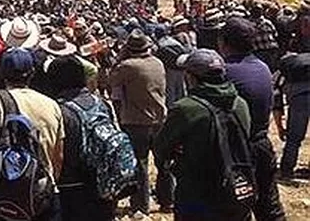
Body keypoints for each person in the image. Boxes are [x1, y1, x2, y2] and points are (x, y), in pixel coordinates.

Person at [153, 49, 253, 221]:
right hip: (235, 186)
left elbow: (161, 149)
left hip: (196, 191)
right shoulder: (240, 103)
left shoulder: (185, 108)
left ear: (191, 77)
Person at [0, 48, 65, 219]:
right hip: (45, 190)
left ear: (1, 73)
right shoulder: (52, 104)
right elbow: (58, 155)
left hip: (6, 193)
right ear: (32, 73)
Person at [218, 17, 286, 221]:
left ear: (223, 42)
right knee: (269, 206)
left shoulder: (223, 71)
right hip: (262, 145)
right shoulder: (262, 68)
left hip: (235, 152)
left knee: (234, 209)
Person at [48, 56, 117, 221]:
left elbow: (58, 152)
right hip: (103, 182)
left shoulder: (59, 110)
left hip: (71, 187)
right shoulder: (102, 104)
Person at [109, 29, 168, 218]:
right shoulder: (157, 63)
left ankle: (141, 205)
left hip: (136, 121)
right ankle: (167, 200)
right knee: (163, 163)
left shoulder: (127, 66)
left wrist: (119, 56)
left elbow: (111, 79)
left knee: (140, 165)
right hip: (159, 118)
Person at [276, 34, 310, 179]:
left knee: (294, 137)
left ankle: (287, 170)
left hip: (299, 97)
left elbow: (276, 96)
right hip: (300, 92)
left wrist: (279, 127)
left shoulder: (286, 64)